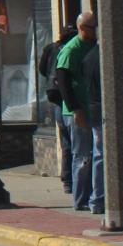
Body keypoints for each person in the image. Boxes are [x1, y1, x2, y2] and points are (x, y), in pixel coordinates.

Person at [56, 12, 103, 214]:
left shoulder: (94, 46)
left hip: (94, 107)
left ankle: (95, 195)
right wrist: (76, 109)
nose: (96, 31)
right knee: (82, 156)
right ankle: (80, 198)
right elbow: (63, 82)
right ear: (82, 28)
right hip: (78, 111)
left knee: (95, 155)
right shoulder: (71, 50)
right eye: (93, 27)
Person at [40, 20, 76, 192]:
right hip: (67, 98)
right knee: (72, 140)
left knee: (66, 139)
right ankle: (70, 179)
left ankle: (67, 179)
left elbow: (42, 69)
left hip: (55, 96)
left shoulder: (51, 48)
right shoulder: (72, 50)